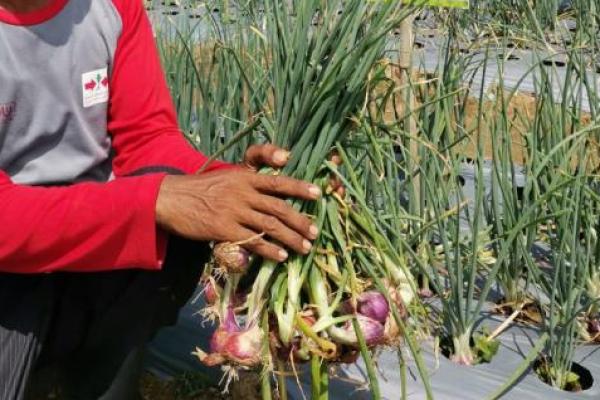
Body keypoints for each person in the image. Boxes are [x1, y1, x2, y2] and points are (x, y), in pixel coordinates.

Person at [0, 0, 321, 398]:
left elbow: (146, 140)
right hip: (10, 267)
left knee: (173, 219)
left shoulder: (112, 7)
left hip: (90, 242)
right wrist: (152, 201)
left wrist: (230, 183)